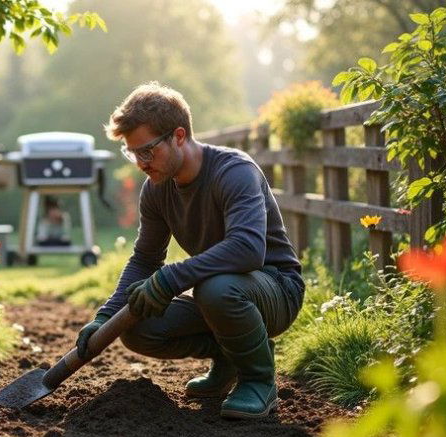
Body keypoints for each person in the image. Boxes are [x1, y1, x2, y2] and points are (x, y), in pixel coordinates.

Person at [76, 82, 305, 419]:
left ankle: (258, 379)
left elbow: (247, 250)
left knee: (216, 289)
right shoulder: (156, 189)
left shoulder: (234, 172)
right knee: (136, 325)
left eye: (147, 150)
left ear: (179, 136)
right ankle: (232, 356)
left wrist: (171, 279)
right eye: (132, 152)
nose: (140, 162)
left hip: (275, 289)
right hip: (224, 293)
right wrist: (107, 316)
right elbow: (145, 259)